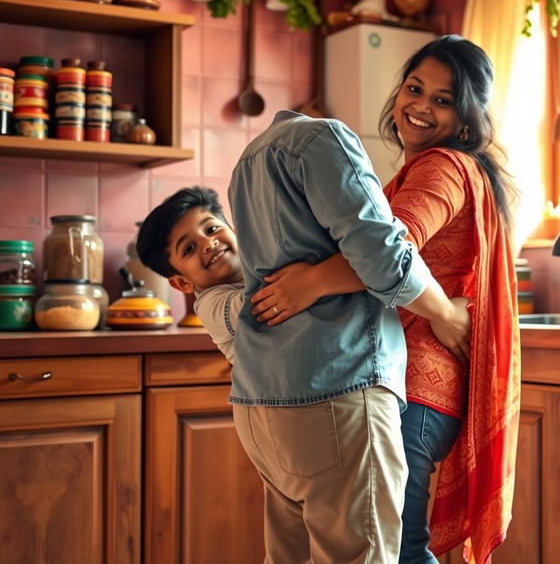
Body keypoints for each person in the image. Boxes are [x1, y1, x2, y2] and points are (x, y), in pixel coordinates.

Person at [251, 35, 521, 563]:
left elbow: (388, 249)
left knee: (398, 551)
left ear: (466, 119)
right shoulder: (431, 168)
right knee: (398, 548)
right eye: (414, 88)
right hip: (419, 387)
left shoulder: (441, 167)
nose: (419, 106)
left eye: (442, 100)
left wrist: (310, 282)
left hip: (415, 387)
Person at [228, 109, 471, 564]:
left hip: (262, 402)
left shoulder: (248, 159)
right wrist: (444, 312)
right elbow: (381, 251)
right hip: (338, 389)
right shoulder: (325, 137)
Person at [135, 185, 242, 365]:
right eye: (189, 249)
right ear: (182, 283)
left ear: (233, 230)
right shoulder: (211, 305)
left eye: (211, 229)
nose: (208, 243)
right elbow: (261, 304)